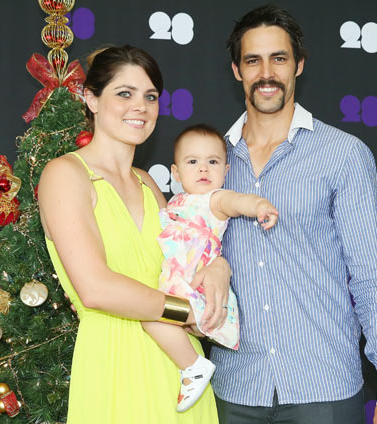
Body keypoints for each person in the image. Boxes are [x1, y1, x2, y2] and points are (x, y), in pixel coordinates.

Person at [209, 5, 377, 424]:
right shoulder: (211, 162)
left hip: (323, 388)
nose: (266, 72)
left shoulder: (343, 155)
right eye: (253, 60)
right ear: (237, 70)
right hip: (234, 387)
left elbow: (373, 277)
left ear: (298, 65)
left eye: (279, 58)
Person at [38, 45, 227, 423]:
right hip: (114, 367)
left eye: (150, 96)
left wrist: (219, 266)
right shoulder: (64, 175)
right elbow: (97, 288)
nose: (140, 106)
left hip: (182, 375)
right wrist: (186, 310)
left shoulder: (147, 184)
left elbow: (185, 253)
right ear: (90, 98)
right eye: (124, 93)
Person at [141, 123, 278, 412]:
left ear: (225, 171)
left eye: (212, 162)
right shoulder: (175, 204)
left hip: (199, 297)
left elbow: (236, 201)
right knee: (152, 314)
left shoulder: (213, 201)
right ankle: (191, 364)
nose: (203, 169)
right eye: (193, 162)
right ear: (176, 173)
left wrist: (259, 205)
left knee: (151, 315)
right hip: (181, 291)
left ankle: (193, 366)